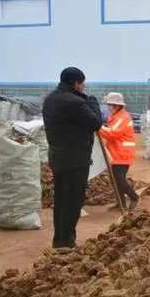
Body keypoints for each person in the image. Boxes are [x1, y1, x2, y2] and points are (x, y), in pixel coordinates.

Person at [42, 67, 103, 248]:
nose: (83, 88)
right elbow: (95, 123)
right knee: (73, 202)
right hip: (75, 160)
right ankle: (66, 242)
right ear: (77, 83)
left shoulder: (50, 99)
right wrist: (92, 103)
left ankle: (59, 239)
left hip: (57, 157)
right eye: (82, 84)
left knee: (61, 200)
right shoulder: (75, 103)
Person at [99, 92, 139, 211]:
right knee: (115, 179)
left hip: (122, 154)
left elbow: (112, 133)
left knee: (119, 179)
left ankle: (134, 197)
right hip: (117, 153)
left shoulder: (122, 117)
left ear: (115, 106)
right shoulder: (116, 117)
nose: (108, 107)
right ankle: (121, 203)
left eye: (109, 105)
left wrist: (98, 126)